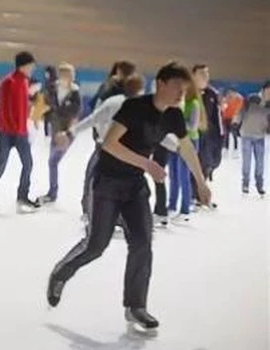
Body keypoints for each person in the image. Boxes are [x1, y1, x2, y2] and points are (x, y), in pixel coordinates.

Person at [47, 62, 212, 333]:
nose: (181, 93)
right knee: (96, 245)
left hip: (135, 186)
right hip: (107, 182)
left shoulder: (173, 116)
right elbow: (111, 144)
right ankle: (61, 272)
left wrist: (201, 183)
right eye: (176, 87)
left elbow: (185, 147)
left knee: (142, 243)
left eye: (184, 89)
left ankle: (136, 306)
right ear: (160, 84)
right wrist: (148, 165)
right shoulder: (134, 108)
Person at [61, 74, 145, 222]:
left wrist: (71, 132)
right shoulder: (134, 106)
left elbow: (92, 119)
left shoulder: (115, 102)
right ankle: (103, 214)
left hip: (109, 147)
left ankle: (97, 212)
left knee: (96, 179)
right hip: (120, 150)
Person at [0, 51, 39, 214]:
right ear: (23, 65)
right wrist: (10, 127)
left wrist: (26, 127)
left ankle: (22, 197)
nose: (33, 68)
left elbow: (22, 108)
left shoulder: (25, 82)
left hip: (21, 132)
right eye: (31, 65)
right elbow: (4, 109)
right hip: (8, 132)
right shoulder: (8, 82)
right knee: (0, 165)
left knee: (28, 164)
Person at [38, 62, 81, 204]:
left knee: (53, 161)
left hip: (67, 132)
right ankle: (52, 192)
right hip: (55, 129)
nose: (67, 77)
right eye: (64, 74)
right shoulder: (52, 88)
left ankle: (52, 193)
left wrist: (67, 133)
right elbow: (44, 104)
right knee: (52, 162)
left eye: (69, 75)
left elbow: (75, 115)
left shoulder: (75, 93)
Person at [167, 80, 204, 220]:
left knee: (184, 175)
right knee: (173, 174)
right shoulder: (177, 102)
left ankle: (185, 208)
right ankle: (171, 205)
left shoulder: (193, 103)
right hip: (176, 140)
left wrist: (177, 123)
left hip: (190, 141)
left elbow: (193, 126)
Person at [193, 64, 223, 204]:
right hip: (191, 134)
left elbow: (217, 117)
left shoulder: (212, 94)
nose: (205, 77)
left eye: (206, 74)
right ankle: (193, 195)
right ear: (194, 75)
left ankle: (199, 194)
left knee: (207, 163)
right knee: (193, 164)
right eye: (202, 74)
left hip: (208, 135)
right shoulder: (189, 92)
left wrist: (220, 135)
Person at [236, 81, 270, 196]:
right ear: (264, 89)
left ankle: (259, 185)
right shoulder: (252, 98)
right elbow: (242, 111)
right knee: (247, 161)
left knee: (260, 163)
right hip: (247, 134)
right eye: (268, 90)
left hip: (260, 136)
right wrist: (237, 122)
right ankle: (245, 184)